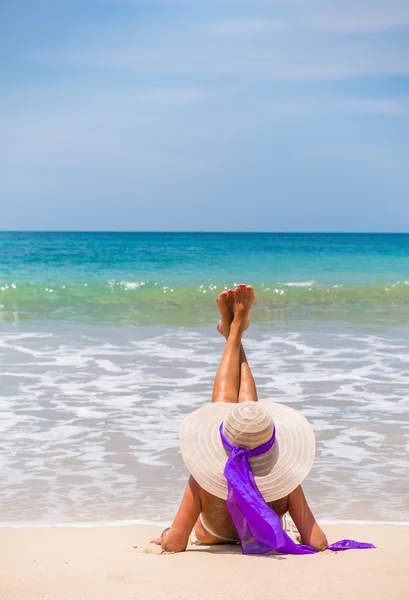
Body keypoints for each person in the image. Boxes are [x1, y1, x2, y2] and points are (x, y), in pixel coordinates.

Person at [151, 284, 329, 554]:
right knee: (249, 415)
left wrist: (166, 535)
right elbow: (317, 542)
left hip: (212, 536)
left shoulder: (204, 476)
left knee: (231, 411)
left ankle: (233, 333)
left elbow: (175, 543)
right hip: (263, 536)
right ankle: (234, 332)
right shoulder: (285, 479)